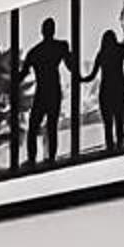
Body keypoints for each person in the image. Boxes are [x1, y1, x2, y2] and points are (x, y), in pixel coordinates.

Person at [16, 16, 77, 169]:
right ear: (53, 30)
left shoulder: (34, 52)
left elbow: (22, 75)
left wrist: (8, 79)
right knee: (52, 126)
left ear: (42, 31)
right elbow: (71, 66)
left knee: (34, 127)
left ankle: (32, 159)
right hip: (53, 91)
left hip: (42, 92)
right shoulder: (60, 46)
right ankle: (51, 158)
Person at [87, 22, 124, 152]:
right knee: (119, 118)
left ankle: (110, 147)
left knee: (108, 122)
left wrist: (79, 78)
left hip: (106, 89)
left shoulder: (101, 54)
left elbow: (92, 75)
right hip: (119, 87)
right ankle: (120, 145)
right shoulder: (121, 49)